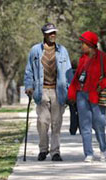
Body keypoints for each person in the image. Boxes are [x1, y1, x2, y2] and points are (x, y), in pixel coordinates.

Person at [24, 23, 72, 162]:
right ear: (44, 34)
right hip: (41, 90)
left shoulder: (62, 51)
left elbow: (68, 72)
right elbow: (29, 71)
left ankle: (55, 152)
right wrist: (28, 86)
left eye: (54, 33)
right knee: (42, 122)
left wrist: (71, 91)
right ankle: (43, 149)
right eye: (50, 33)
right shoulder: (35, 50)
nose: (53, 35)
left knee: (56, 123)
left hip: (59, 91)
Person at [68, 31, 106, 162]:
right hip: (81, 95)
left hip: (96, 95)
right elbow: (77, 78)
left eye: (83, 43)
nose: (81, 46)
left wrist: (101, 85)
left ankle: (103, 148)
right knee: (84, 125)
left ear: (90, 44)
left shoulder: (103, 58)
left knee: (99, 124)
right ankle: (88, 153)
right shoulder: (82, 59)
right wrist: (72, 93)